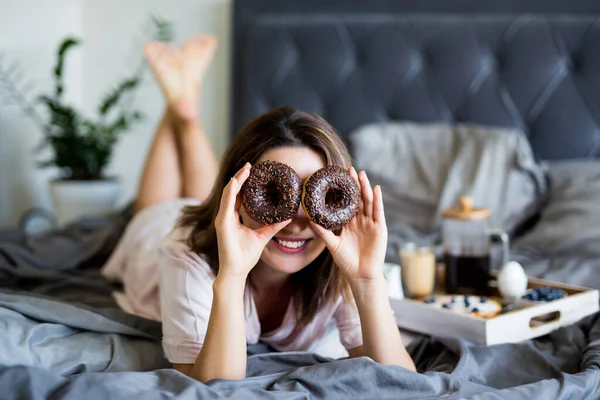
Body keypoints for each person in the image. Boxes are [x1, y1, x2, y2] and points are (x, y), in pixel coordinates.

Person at [101, 34, 416, 383]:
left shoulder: (337, 266)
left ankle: (184, 106)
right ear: (238, 197)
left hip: (221, 218)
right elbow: (209, 385)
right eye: (275, 195)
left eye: (313, 198)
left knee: (196, 196)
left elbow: (406, 382)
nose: (296, 222)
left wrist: (368, 280)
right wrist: (232, 275)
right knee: (155, 208)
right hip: (158, 233)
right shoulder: (184, 256)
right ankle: (178, 110)